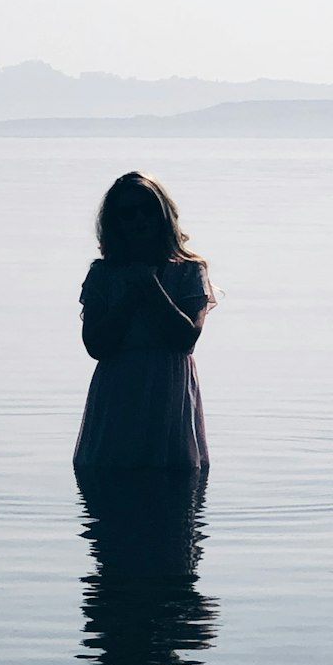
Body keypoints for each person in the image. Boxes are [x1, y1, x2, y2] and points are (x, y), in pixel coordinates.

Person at [73, 172, 216, 471]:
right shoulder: (103, 275)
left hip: (169, 387)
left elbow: (186, 338)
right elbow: (96, 345)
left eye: (148, 208)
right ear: (116, 222)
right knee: (112, 479)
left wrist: (151, 288)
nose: (140, 218)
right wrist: (130, 296)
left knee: (171, 481)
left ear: (163, 213)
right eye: (128, 212)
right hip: (119, 387)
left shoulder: (190, 272)